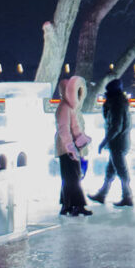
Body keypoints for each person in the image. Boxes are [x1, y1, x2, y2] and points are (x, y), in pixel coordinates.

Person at [89, 77, 133, 207]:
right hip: (118, 143)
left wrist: (104, 141)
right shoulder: (119, 103)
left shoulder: (116, 105)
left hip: (117, 144)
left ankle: (127, 196)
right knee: (111, 170)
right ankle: (102, 195)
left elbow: (116, 127)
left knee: (121, 171)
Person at [54, 74, 92, 216]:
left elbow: (75, 127)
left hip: (69, 146)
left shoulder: (69, 107)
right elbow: (64, 129)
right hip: (66, 148)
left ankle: (67, 205)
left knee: (69, 176)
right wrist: (70, 147)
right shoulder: (64, 107)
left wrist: (81, 141)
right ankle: (77, 205)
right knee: (73, 176)